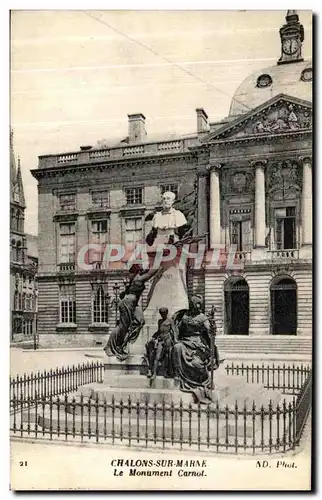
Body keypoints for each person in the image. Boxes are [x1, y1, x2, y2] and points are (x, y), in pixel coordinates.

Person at [144, 191, 190, 323]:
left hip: (173, 244)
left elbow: (183, 233)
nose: (165, 201)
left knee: (176, 272)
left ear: (173, 201)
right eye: (164, 198)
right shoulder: (157, 216)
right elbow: (152, 234)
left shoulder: (178, 215)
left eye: (168, 199)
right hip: (159, 243)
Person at [104, 264, 160, 361]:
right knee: (122, 327)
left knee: (141, 321)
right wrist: (161, 259)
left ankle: (126, 342)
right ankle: (109, 346)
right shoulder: (138, 279)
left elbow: (148, 270)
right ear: (138, 271)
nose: (143, 270)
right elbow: (151, 272)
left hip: (134, 304)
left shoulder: (136, 278)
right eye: (141, 269)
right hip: (127, 303)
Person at [171, 295, 221, 404]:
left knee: (196, 362)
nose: (198, 306)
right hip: (185, 341)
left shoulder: (202, 317)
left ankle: (199, 380)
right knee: (177, 347)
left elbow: (209, 330)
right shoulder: (185, 315)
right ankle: (177, 373)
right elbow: (178, 329)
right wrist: (175, 337)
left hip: (198, 342)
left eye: (199, 304)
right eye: (196, 304)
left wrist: (212, 328)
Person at [144, 307, 174, 382]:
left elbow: (174, 331)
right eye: (161, 313)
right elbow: (158, 331)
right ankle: (154, 373)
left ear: (167, 313)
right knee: (157, 356)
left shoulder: (170, 321)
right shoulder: (160, 321)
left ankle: (168, 371)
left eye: (164, 313)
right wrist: (153, 337)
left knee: (168, 354)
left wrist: (174, 340)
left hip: (168, 340)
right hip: (161, 340)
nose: (162, 315)